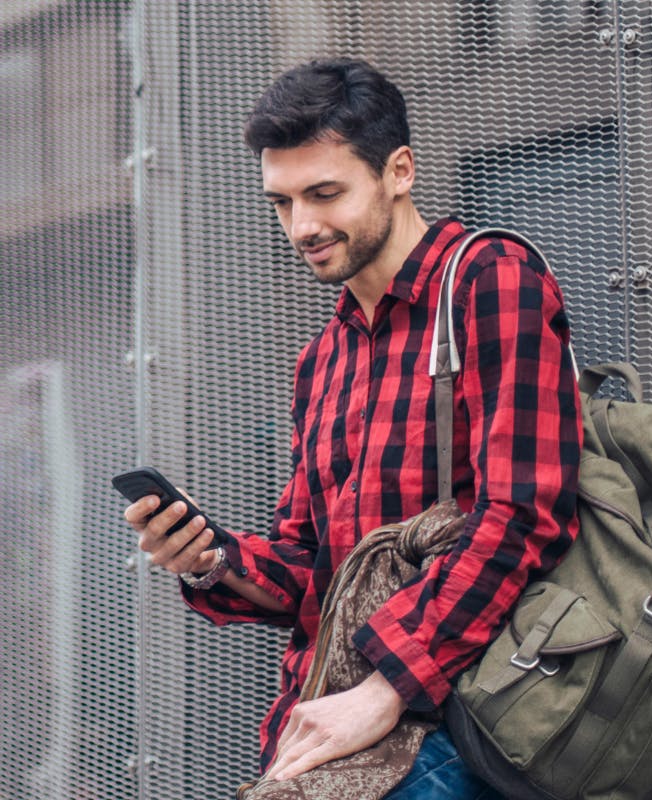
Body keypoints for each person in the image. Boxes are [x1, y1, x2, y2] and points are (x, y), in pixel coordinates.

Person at [125, 58, 582, 798]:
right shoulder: (323, 359)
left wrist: (384, 690)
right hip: (331, 721)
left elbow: (526, 515)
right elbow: (316, 575)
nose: (302, 226)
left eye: (325, 193)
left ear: (399, 171)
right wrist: (209, 557)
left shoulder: (486, 281)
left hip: (465, 721)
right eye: (282, 203)